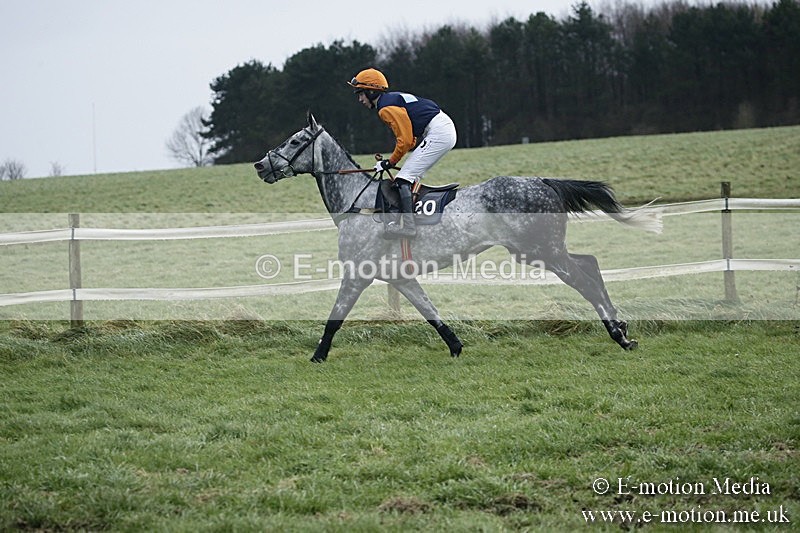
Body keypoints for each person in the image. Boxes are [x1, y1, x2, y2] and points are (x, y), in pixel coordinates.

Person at [347, 68, 457, 238]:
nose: (359, 99)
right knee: (408, 175)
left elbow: (405, 140)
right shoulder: (389, 100)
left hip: (438, 132)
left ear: (371, 90)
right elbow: (410, 139)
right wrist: (391, 161)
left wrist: (390, 162)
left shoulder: (385, 108)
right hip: (440, 129)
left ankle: (409, 227)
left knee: (403, 178)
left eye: (360, 93)